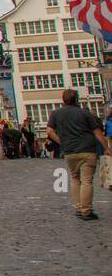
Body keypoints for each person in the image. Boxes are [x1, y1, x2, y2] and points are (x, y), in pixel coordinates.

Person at [46, 89, 112, 221]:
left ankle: (79, 207)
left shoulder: (56, 113)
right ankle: (86, 211)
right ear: (77, 99)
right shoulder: (84, 113)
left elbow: (49, 131)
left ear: (63, 100)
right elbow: (97, 132)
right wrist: (107, 148)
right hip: (87, 149)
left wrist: (61, 142)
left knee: (75, 178)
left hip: (69, 151)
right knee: (87, 180)